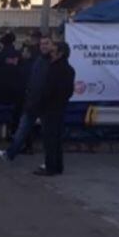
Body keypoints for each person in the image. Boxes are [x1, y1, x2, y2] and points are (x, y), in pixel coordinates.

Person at [0, 36, 53, 163]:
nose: (44, 46)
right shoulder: (38, 60)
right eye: (42, 43)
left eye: (46, 43)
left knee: (48, 133)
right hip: (32, 100)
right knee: (22, 129)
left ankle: (50, 161)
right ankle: (10, 154)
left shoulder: (50, 61)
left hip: (44, 102)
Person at [34, 42, 75, 176]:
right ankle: (57, 165)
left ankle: (50, 166)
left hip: (50, 107)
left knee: (50, 139)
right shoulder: (69, 69)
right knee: (56, 138)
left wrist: (41, 104)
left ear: (60, 53)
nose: (50, 54)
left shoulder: (55, 69)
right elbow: (69, 91)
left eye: (53, 52)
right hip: (60, 107)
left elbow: (48, 90)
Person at [0, 32, 25, 137]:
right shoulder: (19, 54)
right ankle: (15, 132)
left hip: (0, 90)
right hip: (17, 89)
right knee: (17, 112)